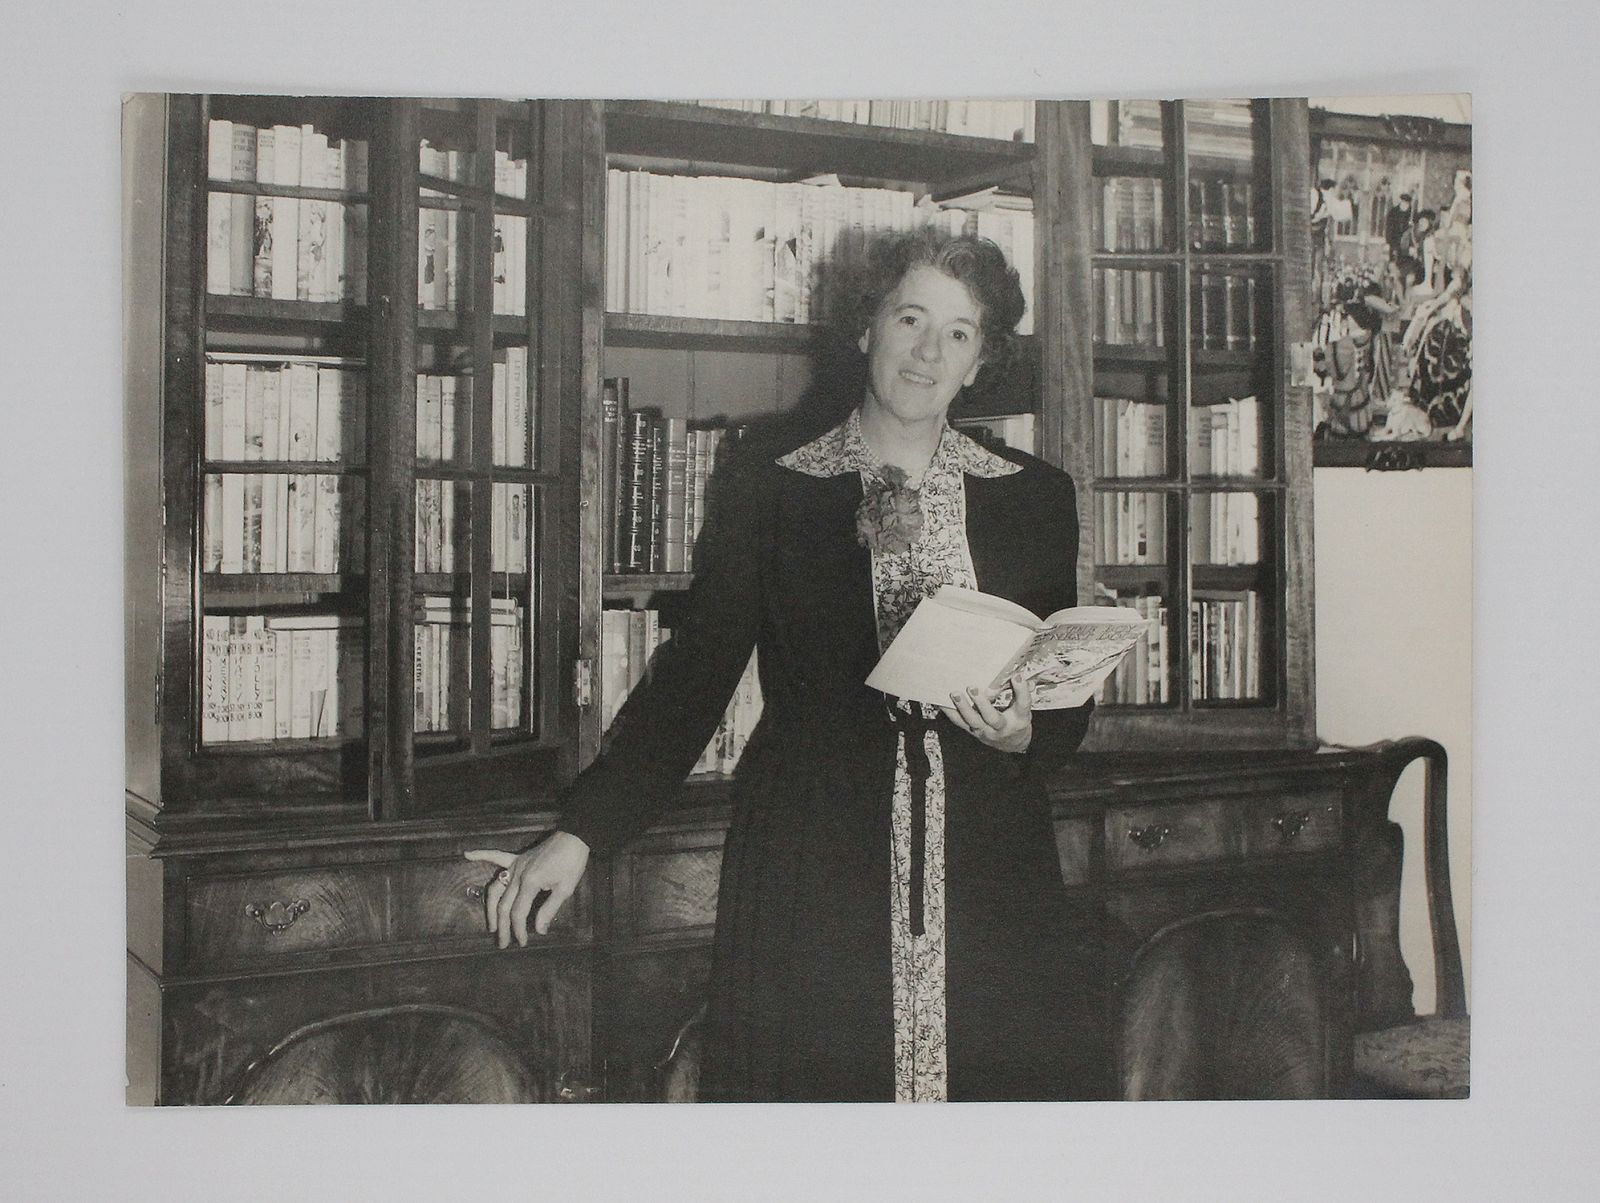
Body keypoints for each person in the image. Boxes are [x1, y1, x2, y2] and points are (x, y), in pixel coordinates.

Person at [467, 228, 1104, 1103]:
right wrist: (582, 832)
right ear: (865, 329)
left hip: (993, 872)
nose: (928, 350)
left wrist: (1030, 728)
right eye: (910, 318)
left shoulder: (1034, 495)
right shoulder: (773, 482)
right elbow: (696, 677)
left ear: (981, 357)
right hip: (816, 864)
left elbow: (1059, 684)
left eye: (958, 332)